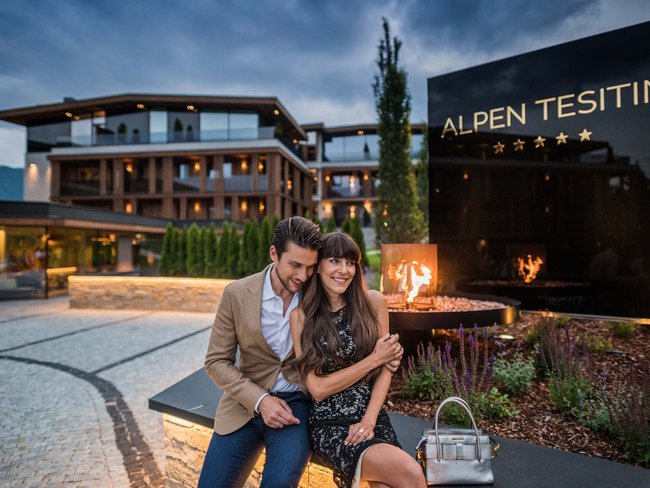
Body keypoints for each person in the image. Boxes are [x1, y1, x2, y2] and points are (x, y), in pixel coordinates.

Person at [290, 232, 426, 488]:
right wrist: (374, 359)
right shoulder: (301, 317)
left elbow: (388, 367)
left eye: (351, 263)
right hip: (330, 424)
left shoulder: (373, 302)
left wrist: (369, 421)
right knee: (411, 474)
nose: (344, 270)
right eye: (335, 261)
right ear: (318, 266)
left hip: (371, 416)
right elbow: (317, 389)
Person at [198, 216, 323, 488]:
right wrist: (260, 400)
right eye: (295, 265)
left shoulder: (319, 296)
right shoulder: (236, 293)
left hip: (295, 407)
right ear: (274, 254)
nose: (303, 276)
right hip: (244, 404)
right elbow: (216, 361)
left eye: (310, 267)